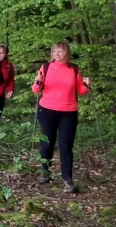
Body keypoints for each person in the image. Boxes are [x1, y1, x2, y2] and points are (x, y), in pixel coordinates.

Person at [32, 42, 91, 193]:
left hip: (68, 112)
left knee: (66, 146)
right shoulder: (45, 68)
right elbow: (35, 89)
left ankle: (67, 178)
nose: (57, 54)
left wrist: (87, 85)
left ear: (67, 53)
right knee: (47, 143)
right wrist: (37, 81)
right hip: (47, 110)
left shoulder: (74, 69)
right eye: (55, 51)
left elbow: (81, 91)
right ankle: (45, 172)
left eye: (61, 51)